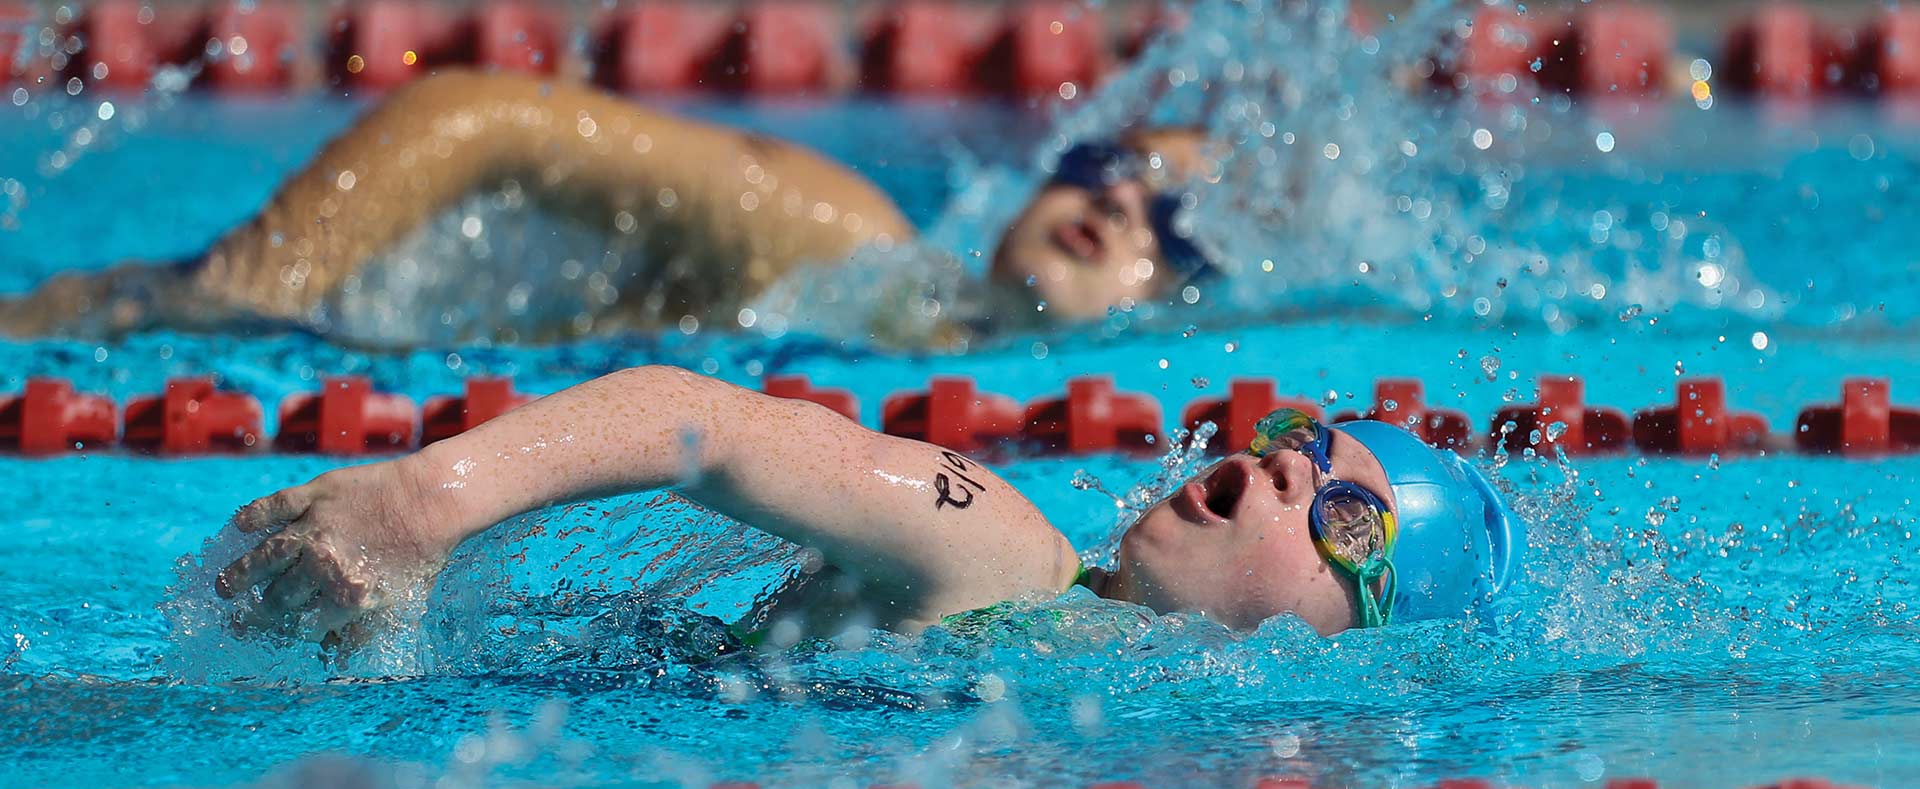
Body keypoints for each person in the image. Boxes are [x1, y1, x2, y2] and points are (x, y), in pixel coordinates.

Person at [213, 364, 1525, 651]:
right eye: (1300, 444)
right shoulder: (1008, 554)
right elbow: (713, 424)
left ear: (1361, 625)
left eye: (1346, 516)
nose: (1288, 469)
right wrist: (429, 499)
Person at [0, 69, 1219, 344]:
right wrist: (246, 294)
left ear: (1179, 299)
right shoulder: (843, 237)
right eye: (1107, 170)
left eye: (1163, 229)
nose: (1118, 212)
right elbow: (472, 113)